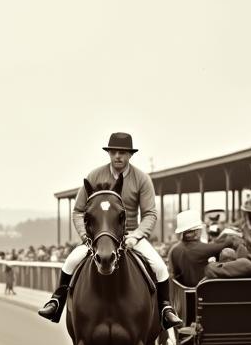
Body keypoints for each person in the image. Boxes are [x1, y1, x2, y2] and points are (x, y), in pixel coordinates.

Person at [38, 132, 182, 328]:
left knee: (160, 267)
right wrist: (85, 236)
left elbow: (150, 213)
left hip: (131, 235)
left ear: (130, 155)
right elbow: (78, 211)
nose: (118, 157)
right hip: (98, 237)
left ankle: (165, 308)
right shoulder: (94, 176)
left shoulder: (142, 179)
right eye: (113, 152)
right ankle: (56, 302)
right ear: (109, 153)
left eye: (122, 152)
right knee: (70, 261)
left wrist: (137, 235)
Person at [167, 208, 244, 288]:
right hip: (200, 291)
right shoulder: (196, 249)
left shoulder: (174, 249)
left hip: (183, 292)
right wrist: (232, 236)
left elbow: (208, 247)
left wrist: (219, 238)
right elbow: (220, 246)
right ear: (196, 231)